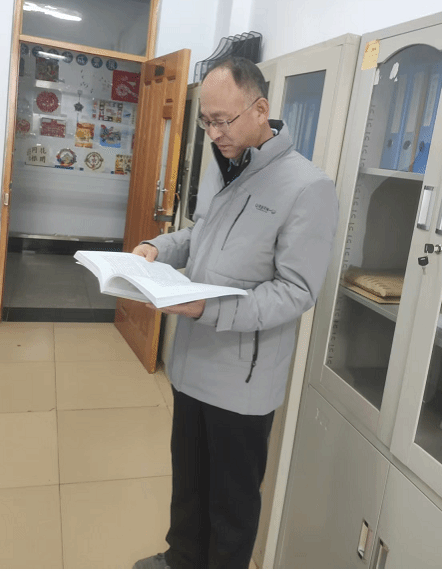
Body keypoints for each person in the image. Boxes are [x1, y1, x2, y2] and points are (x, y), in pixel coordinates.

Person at [132, 57, 339, 569]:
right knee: (189, 482)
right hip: (192, 362)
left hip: (242, 380)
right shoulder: (222, 163)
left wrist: (209, 307)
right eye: (206, 121)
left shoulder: (307, 187)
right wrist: (158, 248)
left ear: (260, 109)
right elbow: (201, 233)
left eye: (222, 120)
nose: (213, 133)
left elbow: (296, 291)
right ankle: (181, 558)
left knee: (232, 504)